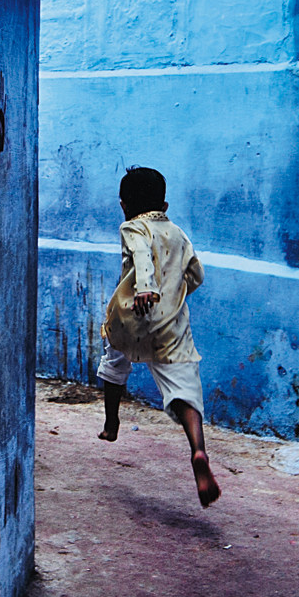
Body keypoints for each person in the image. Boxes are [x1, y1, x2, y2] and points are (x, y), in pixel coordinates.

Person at [96, 167, 220, 507]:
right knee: (183, 387)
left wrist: (146, 287)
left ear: (124, 205)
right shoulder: (178, 233)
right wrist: (173, 295)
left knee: (115, 359)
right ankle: (197, 450)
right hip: (169, 324)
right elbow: (196, 273)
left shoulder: (132, 226)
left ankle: (111, 423)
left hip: (130, 317)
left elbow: (140, 254)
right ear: (164, 204)